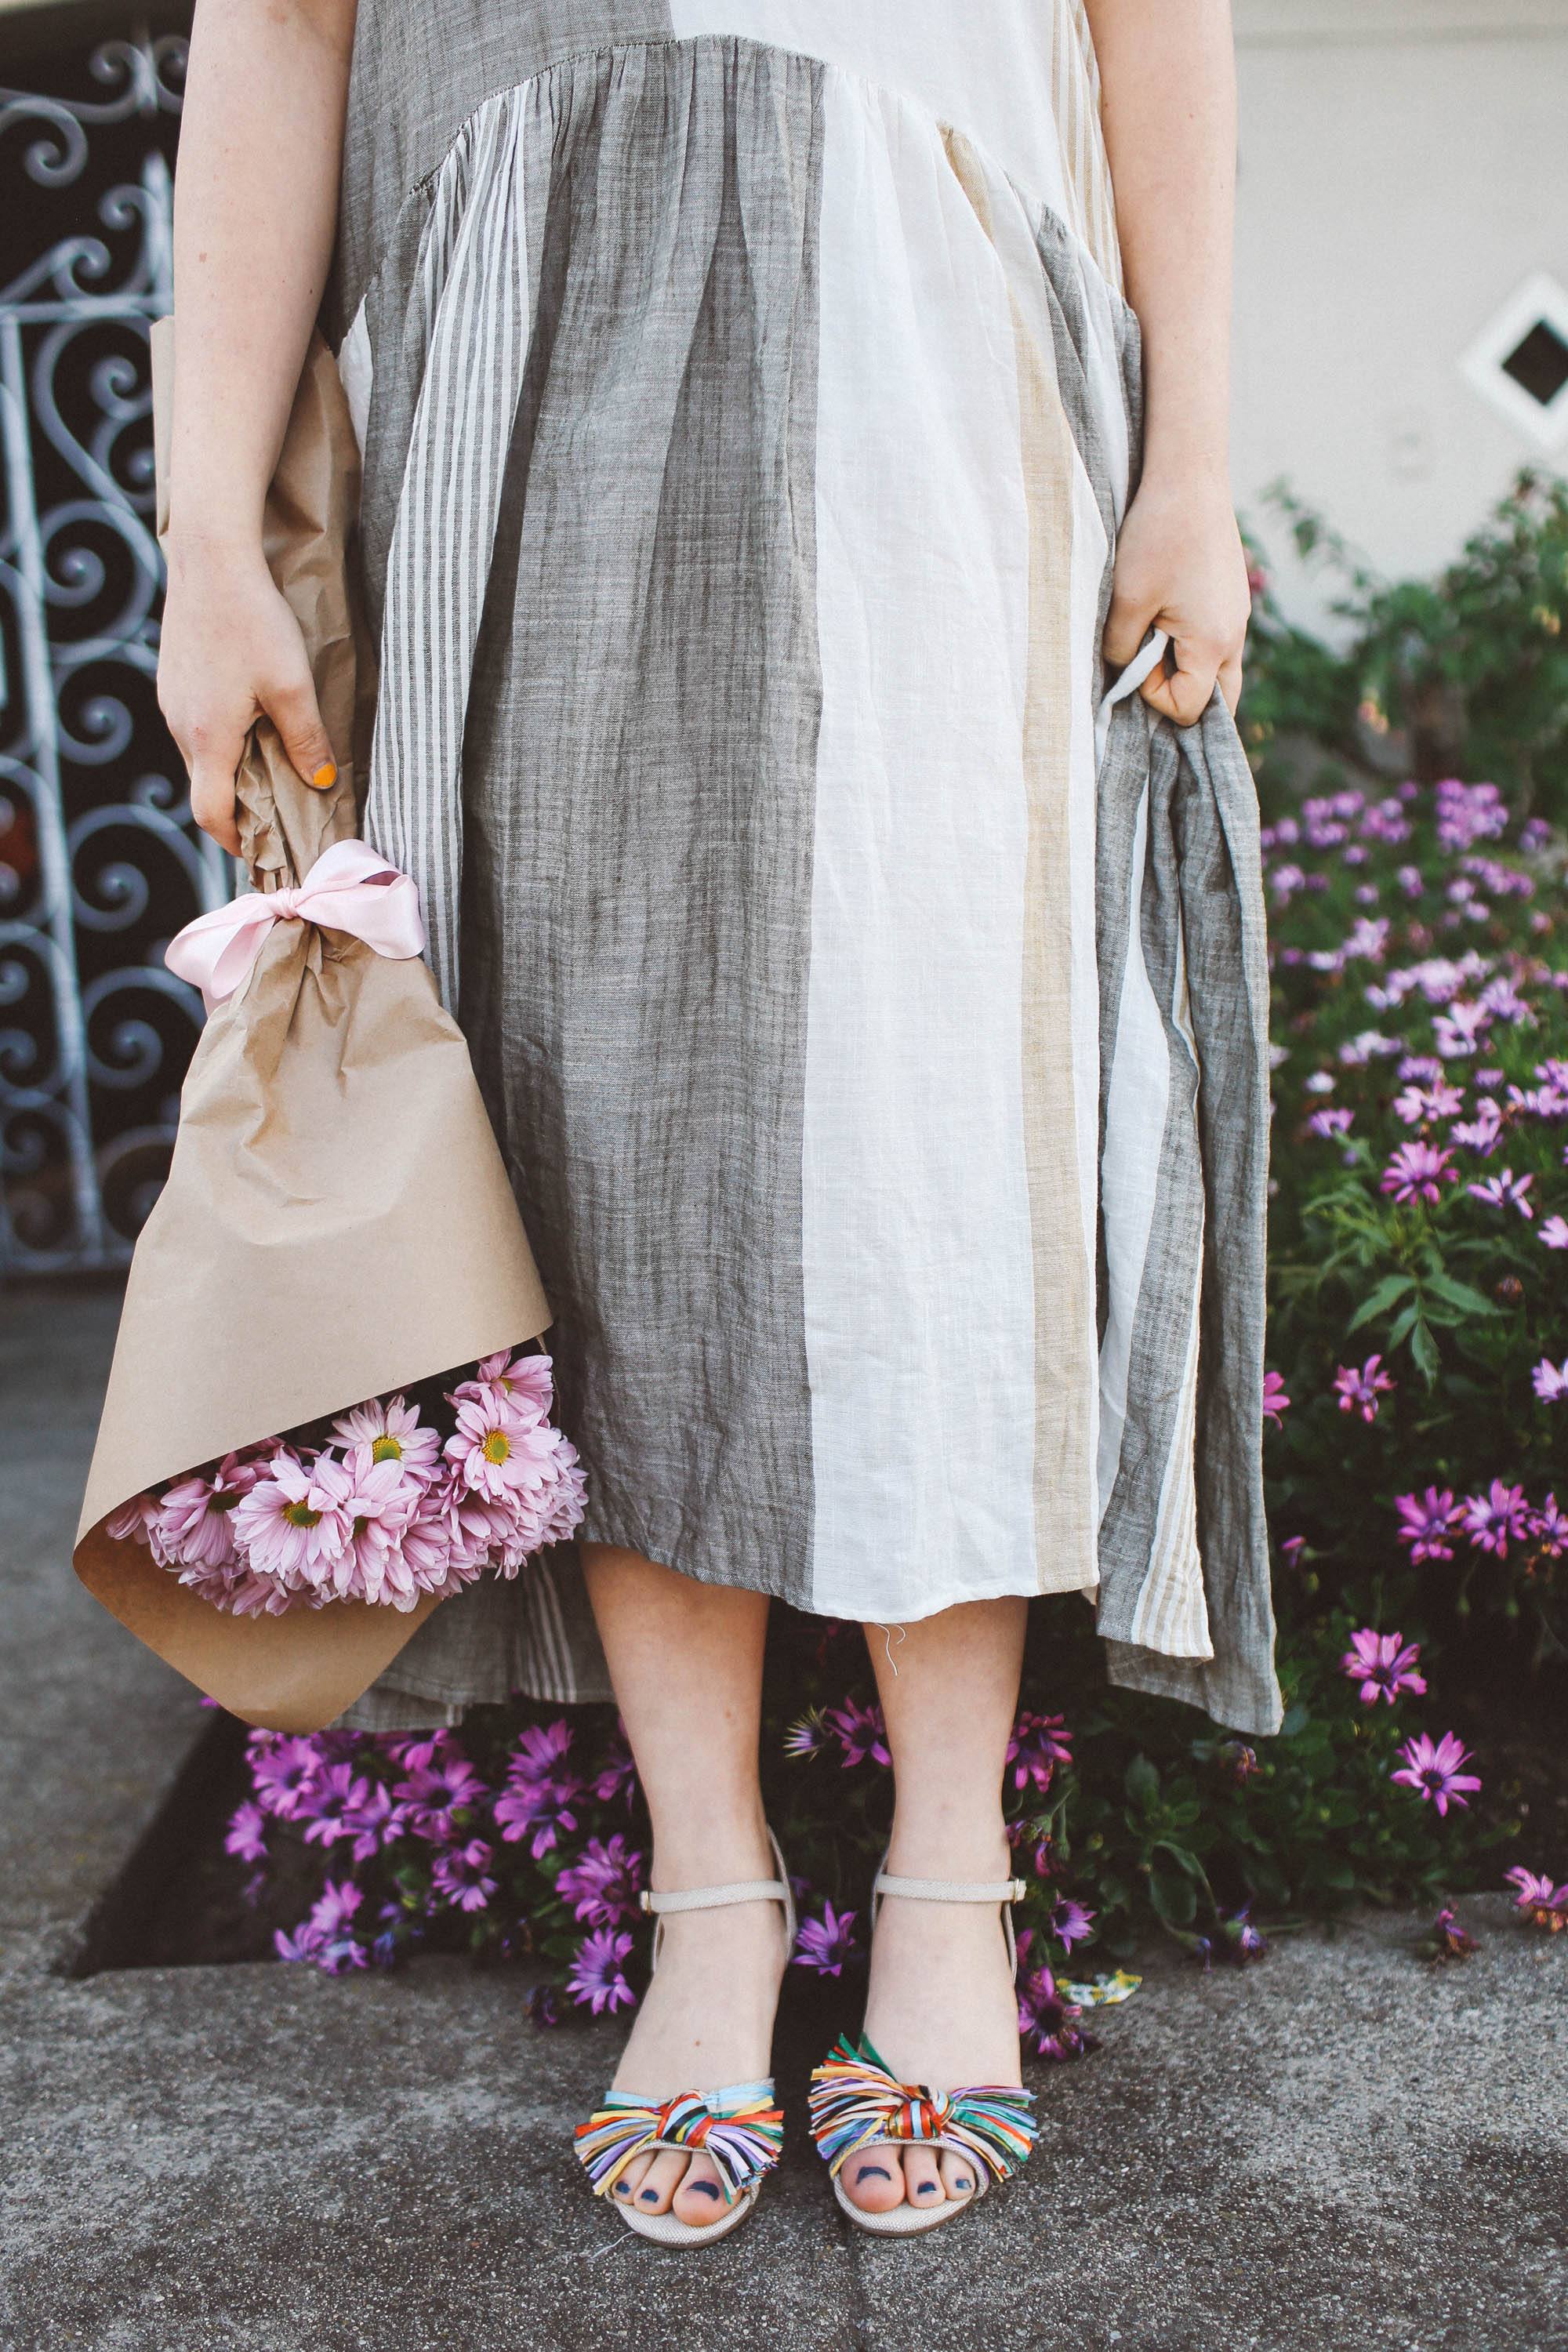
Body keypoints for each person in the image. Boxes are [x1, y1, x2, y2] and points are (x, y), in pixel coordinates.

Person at [160, 0, 1272, 2245]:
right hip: (515, 356)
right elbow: (275, 33)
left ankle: (948, 1882)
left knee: (942, 1106)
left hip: (940, 327)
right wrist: (206, 545)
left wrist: (1196, 452)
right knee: (599, 1140)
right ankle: (708, 1898)